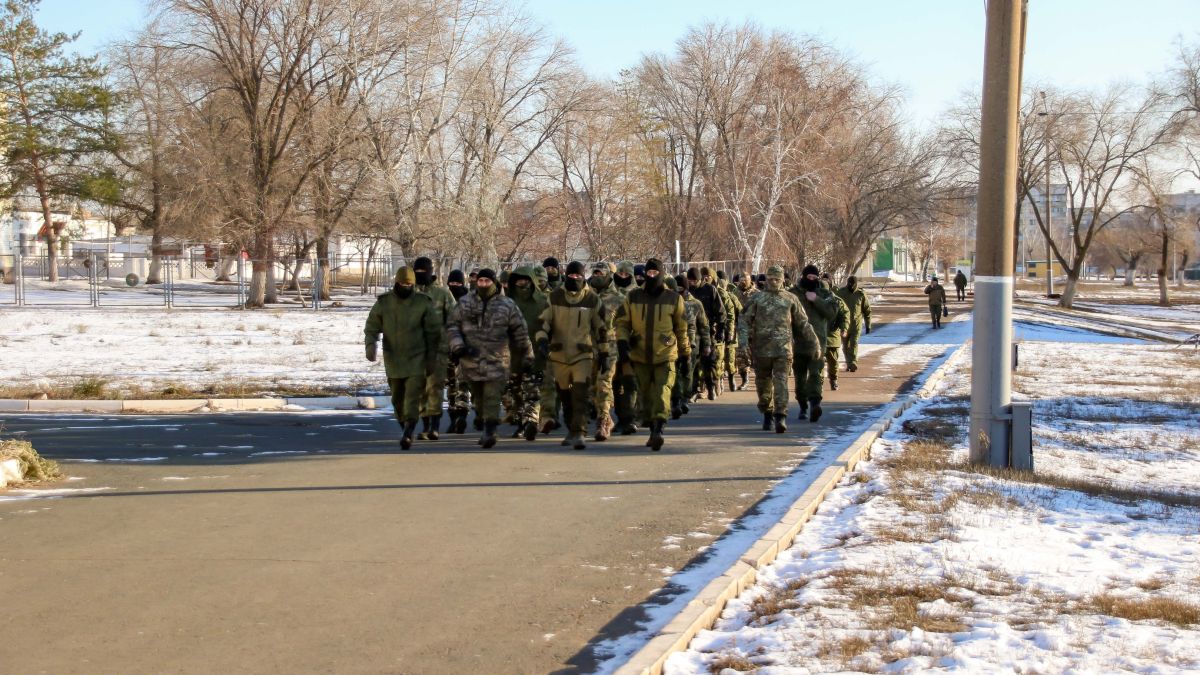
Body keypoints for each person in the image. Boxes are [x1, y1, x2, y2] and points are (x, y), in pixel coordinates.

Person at [447, 268, 534, 448]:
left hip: (497, 360)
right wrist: (457, 346)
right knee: (478, 399)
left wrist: (527, 354)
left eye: (487, 281)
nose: (483, 284)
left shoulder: (507, 304)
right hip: (471, 361)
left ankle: (490, 431)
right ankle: (482, 417)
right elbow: (453, 326)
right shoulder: (465, 303)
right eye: (481, 281)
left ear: (494, 283)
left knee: (492, 396)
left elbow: (520, 331)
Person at [614, 258, 689, 451]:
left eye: (656, 273)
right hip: (640, 355)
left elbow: (682, 328)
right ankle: (651, 424)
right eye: (649, 273)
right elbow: (622, 322)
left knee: (662, 391)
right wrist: (622, 342)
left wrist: (685, 354)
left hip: (666, 354)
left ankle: (658, 429)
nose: (652, 276)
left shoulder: (674, 298)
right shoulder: (633, 297)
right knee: (645, 397)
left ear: (662, 274)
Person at [364, 267, 439, 449]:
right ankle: (405, 425)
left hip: (417, 357)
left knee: (412, 396)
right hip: (394, 358)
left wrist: (432, 356)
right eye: (403, 283)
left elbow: (433, 331)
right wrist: (370, 345)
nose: (406, 286)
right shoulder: (384, 303)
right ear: (396, 282)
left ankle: (408, 431)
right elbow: (372, 326)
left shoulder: (423, 302)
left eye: (409, 284)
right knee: (397, 399)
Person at [537, 261, 610, 450]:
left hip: (582, 355)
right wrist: (542, 340)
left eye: (578, 276)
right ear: (566, 275)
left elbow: (601, 329)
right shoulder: (555, 297)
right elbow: (544, 322)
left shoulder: (592, 300)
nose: (575, 279)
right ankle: (571, 427)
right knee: (565, 396)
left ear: (583, 276)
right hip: (559, 355)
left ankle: (579, 432)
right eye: (571, 275)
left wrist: (604, 354)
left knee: (580, 395)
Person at [739, 266, 820, 432]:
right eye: (770, 279)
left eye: (777, 279)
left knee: (781, 382)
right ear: (766, 280)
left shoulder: (790, 299)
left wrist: (815, 342)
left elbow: (803, 323)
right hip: (761, 350)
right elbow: (744, 322)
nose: (773, 282)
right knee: (763, 386)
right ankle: (767, 412)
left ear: (782, 280)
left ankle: (780, 416)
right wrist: (743, 343)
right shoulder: (757, 299)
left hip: (783, 350)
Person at [412, 257, 457, 441]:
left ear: (431, 272)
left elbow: (455, 320)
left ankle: (434, 426)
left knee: (435, 388)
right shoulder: (409, 293)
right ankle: (424, 425)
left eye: (424, 271)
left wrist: (452, 344)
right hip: (414, 350)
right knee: (419, 388)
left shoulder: (442, 294)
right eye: (418, 271)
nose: (421, 274)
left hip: (438, 349)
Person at [504, 265, 549, 441]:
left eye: (525, 279)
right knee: (515, 391)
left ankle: (530, 421)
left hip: (537, 352)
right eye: (518, 280)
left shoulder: (543, 301)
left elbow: (551, 324)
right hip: (512, 353)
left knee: (532, 390)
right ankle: (521, 422)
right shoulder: (507, 302)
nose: (522, 283)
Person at [790, 264, 838, 422]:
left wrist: (816, 300)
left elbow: (832, 313)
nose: (811, 280)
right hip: (798, 342)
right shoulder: (792, 294)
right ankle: (803, 405)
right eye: (808, 277)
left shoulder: (824, 293)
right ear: (803, 277)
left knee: (816, 375)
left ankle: (815, 404)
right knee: (800, 377)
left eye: (814, 278)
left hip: (818, 343)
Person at [589, 261, 624, 441]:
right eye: (594, 273)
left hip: (609, 349)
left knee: (604, 382)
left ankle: (603, 422)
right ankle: (607, 416)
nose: (597, 277)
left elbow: (626, 325)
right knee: (593, 387)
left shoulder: (619, 299)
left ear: (608, 276)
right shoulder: (583, 296)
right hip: (588, 348)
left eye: (600, 274)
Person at [673, 273, 710, 418]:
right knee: (674, 373)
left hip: (691, 344)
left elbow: (704, 326)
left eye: (681, 288)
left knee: (687, 373)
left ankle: (684, 398)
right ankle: (676, 400)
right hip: (672, 344)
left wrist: (707, 345)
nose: (679, 291)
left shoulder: (695, 304)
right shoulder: (669, 302)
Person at [687, 267, 726, 400]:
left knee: (709, 362)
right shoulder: (686, 292)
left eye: (694, 281)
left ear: (700, 279)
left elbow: (721, 312)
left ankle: (712, 387)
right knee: (693, 363)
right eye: (690, 281)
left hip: (708, 331)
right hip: (691, 333)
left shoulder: (710, 290)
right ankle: (694, 390)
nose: (692, 283)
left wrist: (720, 329)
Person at [611, 261, 640, 434]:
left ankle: (629, 419)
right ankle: (620, 417)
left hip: (631, 344)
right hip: (611, 345)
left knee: (630, 383)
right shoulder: (609, 294)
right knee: (615, 384)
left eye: (626, 274)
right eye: (620, 274)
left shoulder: (637, 295)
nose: (622, 277)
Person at [835, 275, 872, 373]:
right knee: (845, 346)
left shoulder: (861, 294)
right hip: (844, 325)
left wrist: (868, 325)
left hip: (856, 325)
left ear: (856, 284)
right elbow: (835, 308)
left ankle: (853, 362)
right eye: (849, 283)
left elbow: (867, 310)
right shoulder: (841, 293)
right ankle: (849, 363)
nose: (851, 285)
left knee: (854, 343)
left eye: (853, 284)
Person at [820, 274, 850, 391]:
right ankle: (820, 382)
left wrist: (844, 328)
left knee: (832, 361)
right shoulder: (812, 301)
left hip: (831, 336)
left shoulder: (837, 301)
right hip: (818, 337)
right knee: (819, 362)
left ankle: (833, 380)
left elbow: (844, 315)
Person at [715, 270, 742, 394]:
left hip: (730, 330)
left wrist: (733, 329)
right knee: (719, 357)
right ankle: (720, 380)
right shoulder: (713, 294)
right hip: (718, 329)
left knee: (730, 357)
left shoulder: (730, 296)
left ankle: (731, 377)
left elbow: (739, 312)